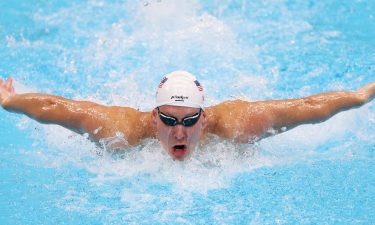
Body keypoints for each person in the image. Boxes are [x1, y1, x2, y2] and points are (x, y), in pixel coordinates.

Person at [0, 71, 374, 160]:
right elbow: (57, 108)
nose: (179, 131)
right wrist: (9, 103)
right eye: (169, 120)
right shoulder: (122, 130)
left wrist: (359, 97)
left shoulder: (239, 124)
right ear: (152, 118)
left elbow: (306, 108)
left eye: (190, 121)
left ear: (205, 119)